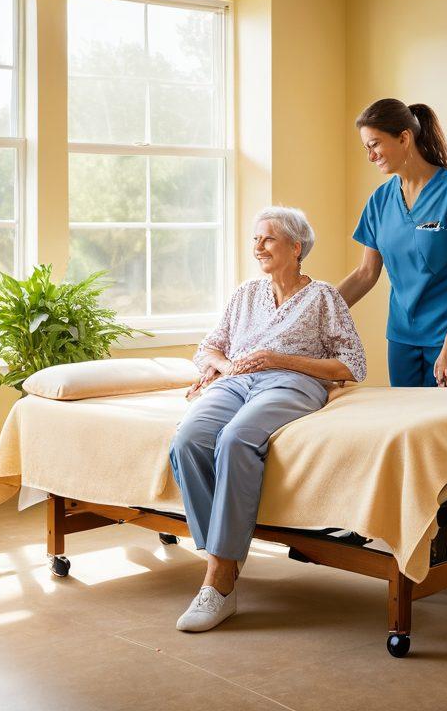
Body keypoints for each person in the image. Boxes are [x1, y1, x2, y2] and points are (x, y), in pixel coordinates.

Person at [169, 206, 366, 632]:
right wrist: (224, 367)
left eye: (268, 238)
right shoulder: (245, 294)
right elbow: (208, 348)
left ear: (296, 248)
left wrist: (280, 359)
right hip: (235, 381)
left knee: (236, 438)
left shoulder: (323, 297)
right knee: (188, 438)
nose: (258, 246)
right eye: (255, 239)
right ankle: (226, 555)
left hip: (292, 383)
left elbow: (352, 365)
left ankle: (219, 581)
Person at [338, 98, 447, 555]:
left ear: (405, 138)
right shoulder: (381, 200)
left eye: (375, 144)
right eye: (366, 147)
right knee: (410, 439)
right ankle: (418, 537)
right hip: (404, 336)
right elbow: (366, 274)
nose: (370, 155)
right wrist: (313, 311)